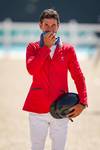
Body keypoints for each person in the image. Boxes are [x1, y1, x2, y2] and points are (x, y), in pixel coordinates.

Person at [22, 9, 88, 150]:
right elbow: (31, 70)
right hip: (37, 108)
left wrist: (83, 102)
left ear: (58, 26)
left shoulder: (68, 49)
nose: (50, 29)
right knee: (37, 147)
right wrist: (45, 48)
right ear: (40, 25)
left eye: (53, 25)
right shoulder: (32, 47)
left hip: (61, 108)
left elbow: (78, 76)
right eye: (46, 25)